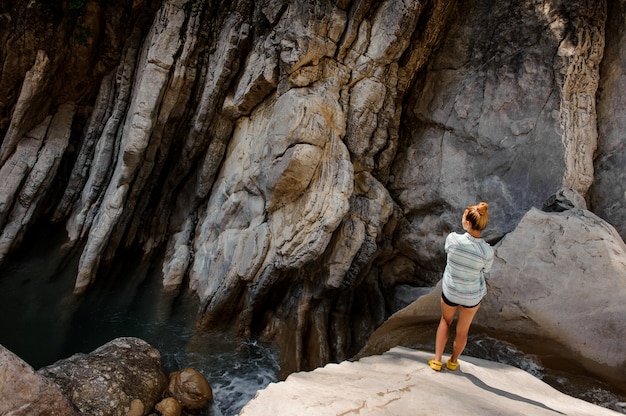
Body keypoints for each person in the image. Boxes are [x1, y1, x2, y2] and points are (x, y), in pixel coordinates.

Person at [428, 202, 494, 371]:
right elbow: (486, 269)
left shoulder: (453, 239)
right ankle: (453, 361)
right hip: (472, 295)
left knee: (445, 321)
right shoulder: (487, 251)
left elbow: (448, 253)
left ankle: (436, 360)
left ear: (469, 223)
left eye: (464, 216)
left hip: (451, 291)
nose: (462, 219)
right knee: (463, 330)